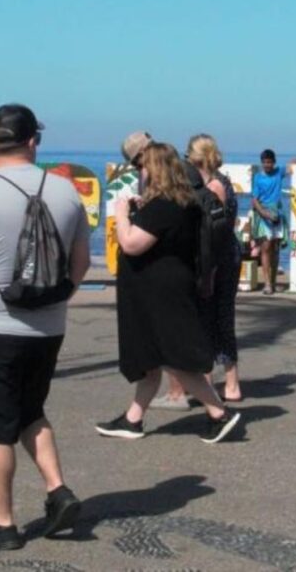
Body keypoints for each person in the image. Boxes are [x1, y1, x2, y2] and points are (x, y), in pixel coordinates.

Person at [0, 104, 91, 550]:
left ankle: (2, 524)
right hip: (48, 328)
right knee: (31, 409)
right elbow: (81, 263)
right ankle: (57, 490)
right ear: (33, 141)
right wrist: (58, 299)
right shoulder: (67, 193)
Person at [95, 142, 241, 444]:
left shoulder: (165, 204)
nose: (141, 172)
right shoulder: (180, 201)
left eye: (143, 166)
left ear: (156, 168)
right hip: (162, 289)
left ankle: (219, 413)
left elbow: (132, 243)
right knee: (153, 357)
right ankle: (132, 419)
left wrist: (121, 214)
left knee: (173, 358)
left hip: (160, 293)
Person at [158, 135, 243, 406]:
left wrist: (209, 270)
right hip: (225, 253)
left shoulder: (213, 185)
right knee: (220, 317)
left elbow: (214, 231)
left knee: (213, 317)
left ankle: (223, 384)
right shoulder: (223, 181)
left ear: (194, 156)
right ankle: (225, 383)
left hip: (217, 256)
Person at [251, 149, 289, 294]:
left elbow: (291, 167)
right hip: (265, 214)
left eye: (269, 162)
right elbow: (254, 200)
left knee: (275, 249)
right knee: (266, 248)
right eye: (264, 162)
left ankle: (273, 282)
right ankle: (267, 284)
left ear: (274, 162)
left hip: (278, 214)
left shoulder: (279, 172)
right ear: (262, 163)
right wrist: (264, 213)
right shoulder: (258, 178)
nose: (267, 165)